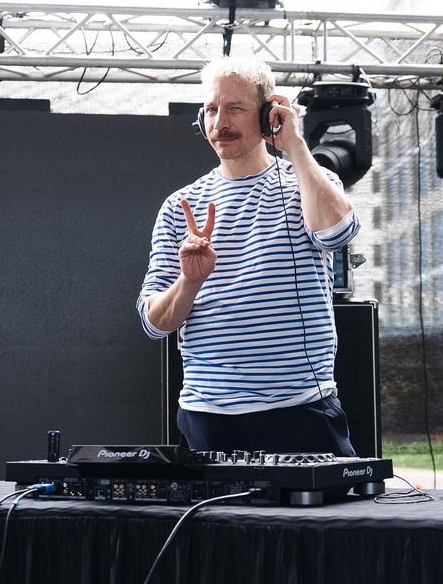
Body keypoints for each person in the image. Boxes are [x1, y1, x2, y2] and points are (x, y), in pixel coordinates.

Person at [137, 56, 361, 456]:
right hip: (207, 418)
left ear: (268, 114)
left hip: (300, 411)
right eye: (211, 109)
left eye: (235, 108)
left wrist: (294, 144)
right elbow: (154, 323)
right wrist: (189, 281)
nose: (219, 122)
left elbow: (337, 232)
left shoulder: (309, 181)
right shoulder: (179, 206)